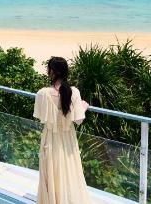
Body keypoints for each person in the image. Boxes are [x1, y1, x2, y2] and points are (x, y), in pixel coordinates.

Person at [33, 56, 91, 204]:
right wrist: (83, 107)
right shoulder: (73, 92)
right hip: (68, 138)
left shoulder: (43, 93)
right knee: (68, 170)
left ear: (51, 71)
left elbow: (40, 116)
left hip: (50, 137)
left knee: (50, 170)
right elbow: (78, 120)